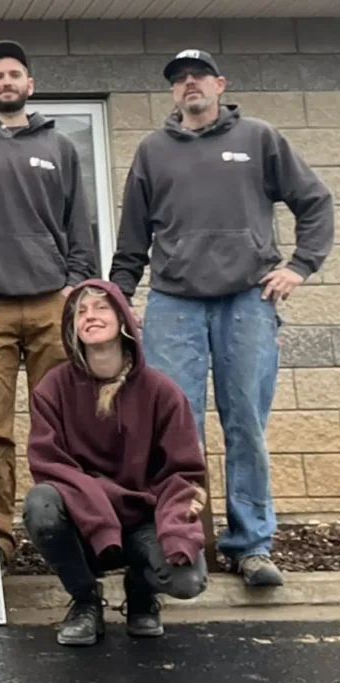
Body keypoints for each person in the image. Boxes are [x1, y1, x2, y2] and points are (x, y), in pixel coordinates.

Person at [109, 49, 335, 587]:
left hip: (247, 303)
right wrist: (119, 300)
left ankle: (250, 545)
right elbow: (133, 240)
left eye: (198, 77)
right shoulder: (152, 151)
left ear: (219, 84)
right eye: (180, 80)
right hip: (173, 304)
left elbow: (316, 202)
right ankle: (183, 541)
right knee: (173, 428)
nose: (190, 85)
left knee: (246, 426)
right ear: (172, 93)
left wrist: (299, 266)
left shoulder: (258, 138)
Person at [0, 40, 99, 565]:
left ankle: (67, 534)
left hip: (52, 305)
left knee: (60, 424)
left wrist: (74, 285)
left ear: (30, 85)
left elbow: (80, 222)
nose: (6, 82)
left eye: (15, 74)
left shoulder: (61, 147)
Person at [23, 279, 208, 647]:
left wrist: (174, 531)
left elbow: (183, 474)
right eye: (81, 312)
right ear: (72, 327)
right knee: (41, 504)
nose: (90, 316)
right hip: (85, 518)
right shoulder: (52, 388)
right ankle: (85, 600)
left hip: (143, 518)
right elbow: (50, 465)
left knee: (188, 581)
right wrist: (99, 509)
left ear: (123, 318)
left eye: (101, 308)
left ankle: (141, 592)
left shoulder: (162, 392)